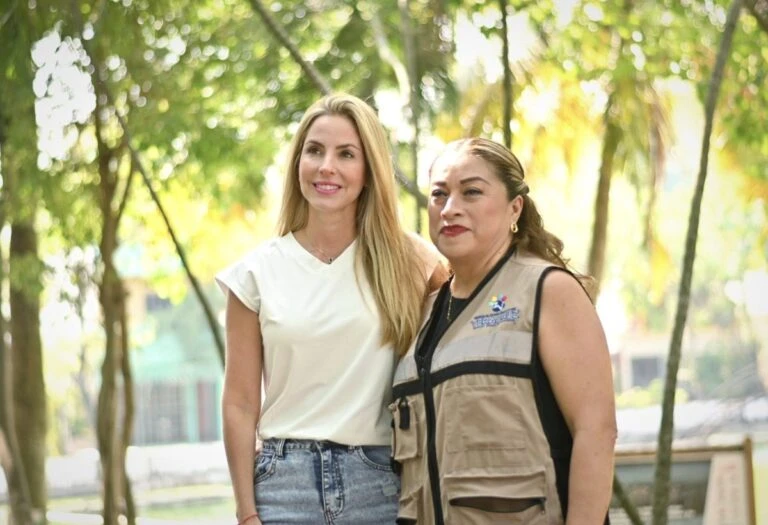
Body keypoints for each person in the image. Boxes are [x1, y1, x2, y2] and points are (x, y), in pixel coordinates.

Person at [216, 93, 448, 525]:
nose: (327, 167)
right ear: (297, 163)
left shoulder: (412, 260)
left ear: (368, 171)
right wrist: (246, 513)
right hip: (282, 487)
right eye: (315, 151)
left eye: (346, 154)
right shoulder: (254, 275)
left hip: (379, 481)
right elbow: (240, 404)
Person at [390, 137, 617, 524]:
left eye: (472, 192)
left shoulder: (547, 290)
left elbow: (596, 430)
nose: (450, 209)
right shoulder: (425, 312)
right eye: (439, 195)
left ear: (515, 207)